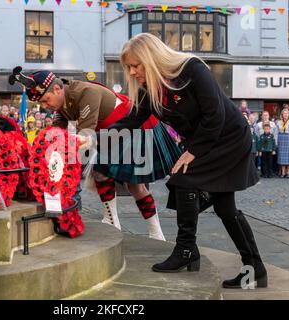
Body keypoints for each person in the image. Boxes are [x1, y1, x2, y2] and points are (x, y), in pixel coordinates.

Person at [107, 33, 266, 289]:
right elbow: (132, 120)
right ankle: (254, 269)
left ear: (151, 57)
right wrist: (94, 139)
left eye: (136, 65)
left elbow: (215, 114)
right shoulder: (151, 90)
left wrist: (192, 152)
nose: (133, 71)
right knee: (225, 208)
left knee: (184, 180)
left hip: (228, 138)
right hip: (205, 141)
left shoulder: (191, 69)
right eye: (129, 67)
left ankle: (186, 250)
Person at [20, 70, 181, 241]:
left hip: (133, 128)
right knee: (99, 173)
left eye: (45, 100)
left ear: (58, 89)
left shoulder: (86, 93)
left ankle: (156, 232)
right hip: (109, 134)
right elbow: (56, 134)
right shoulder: (61, 106)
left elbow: (85, 136)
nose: (45, 106)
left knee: (135, 185)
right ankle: (112, 221)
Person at [275, 108, 289, 178]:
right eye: (284, 113)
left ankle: (288, 172)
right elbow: (276, 133)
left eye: (286, 113)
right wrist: (276, 142)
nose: (285, 115)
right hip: (281, 140)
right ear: (282, 114)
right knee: (282, 157)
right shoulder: (278, 122)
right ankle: (283, 172)